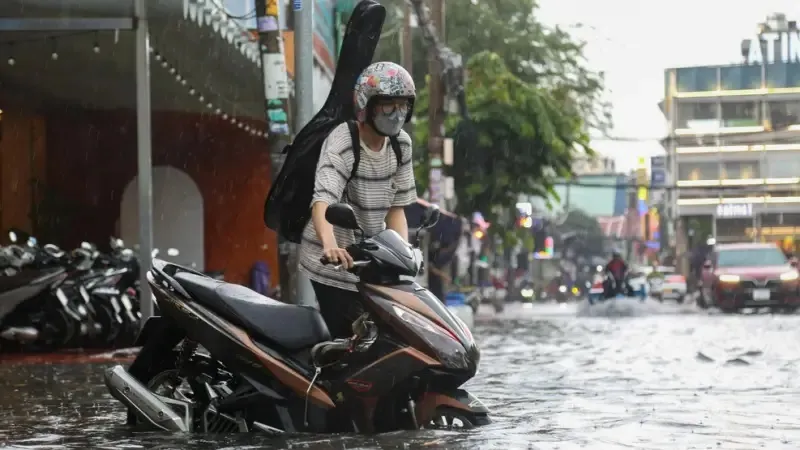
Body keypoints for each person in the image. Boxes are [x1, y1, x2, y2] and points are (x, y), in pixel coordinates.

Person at [298, 61, 417, 339]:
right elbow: (322, 203)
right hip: (330, 263)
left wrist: (405, 254)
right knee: (346, 340)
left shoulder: (401, 145)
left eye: (402, 105)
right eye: (388, 105)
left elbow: (396, 210)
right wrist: (331, 247)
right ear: (367, 105)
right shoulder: (344, 141)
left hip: (372, 263)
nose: (396, 113)